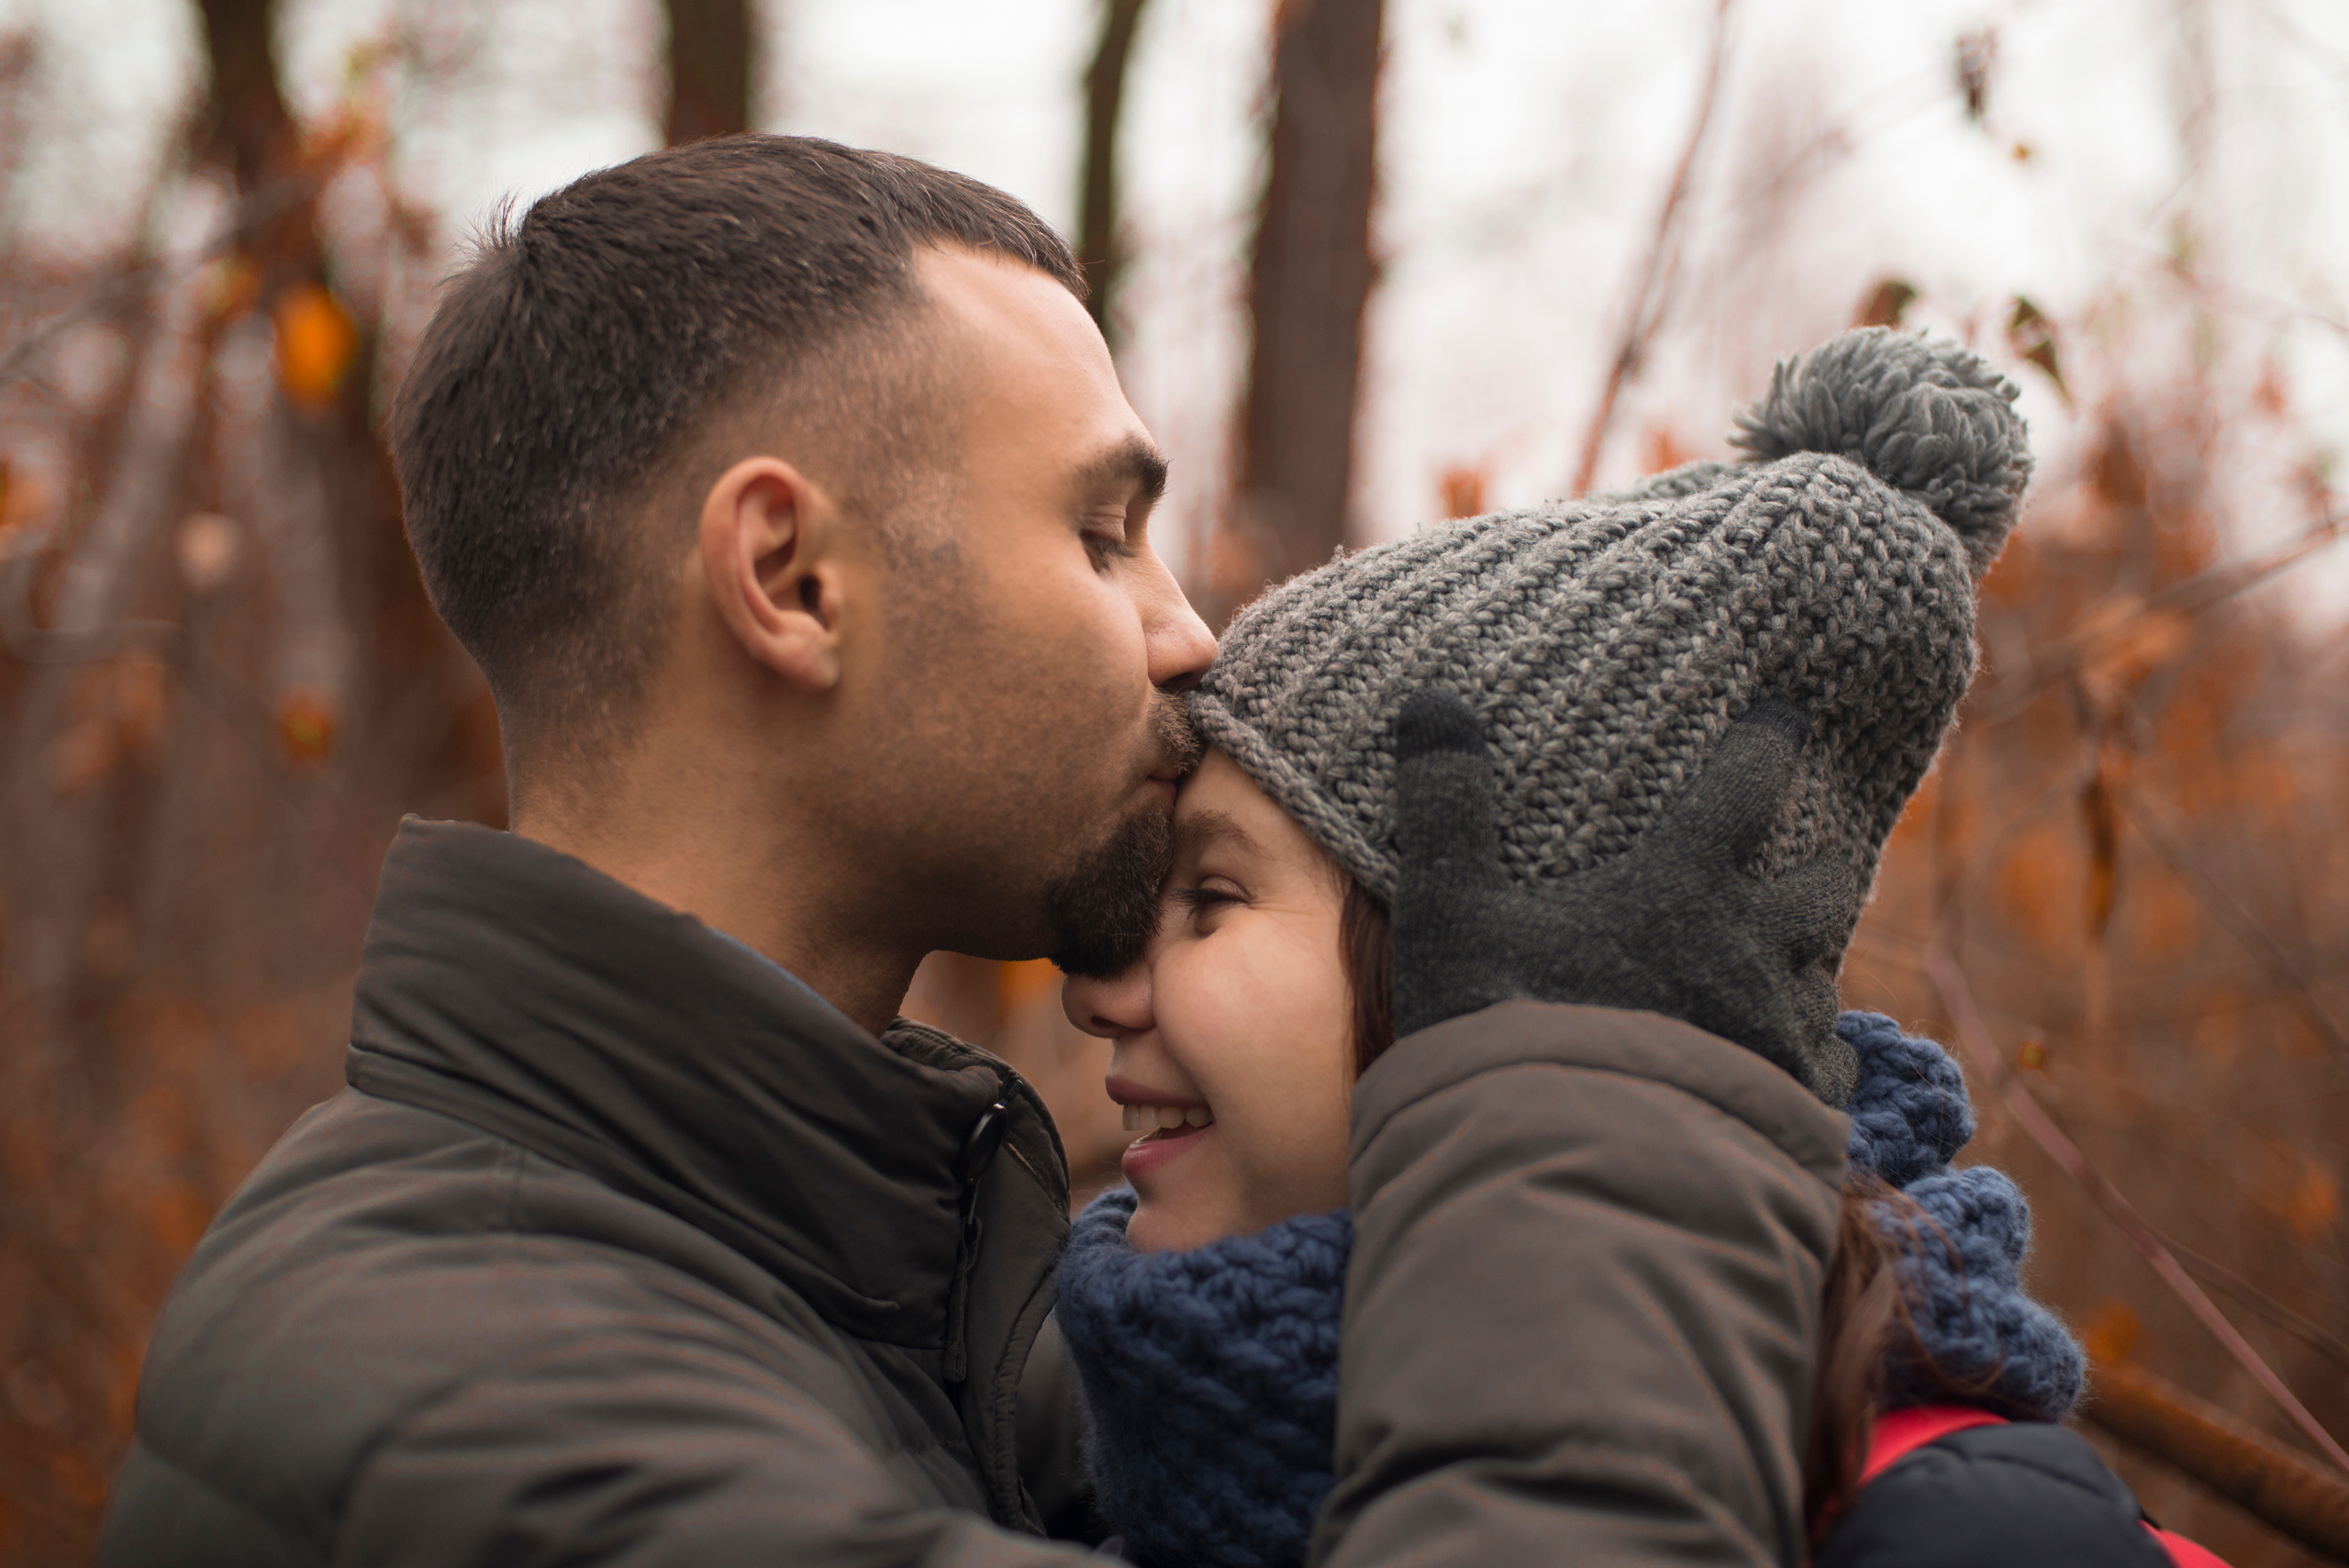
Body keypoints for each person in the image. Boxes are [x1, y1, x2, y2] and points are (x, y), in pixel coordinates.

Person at [101, 135, 1864, 1567]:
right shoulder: (494, 1411)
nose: (1191, 633)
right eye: (1104, 533)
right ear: (789, 581)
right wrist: (1603, 1136)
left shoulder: (868, 1269)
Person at [1057, 328, 2229, 1568]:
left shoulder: (1972, 1535)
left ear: (1548, 972)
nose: (1101, 988)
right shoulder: (1131, 1456)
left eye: (1213, 898)